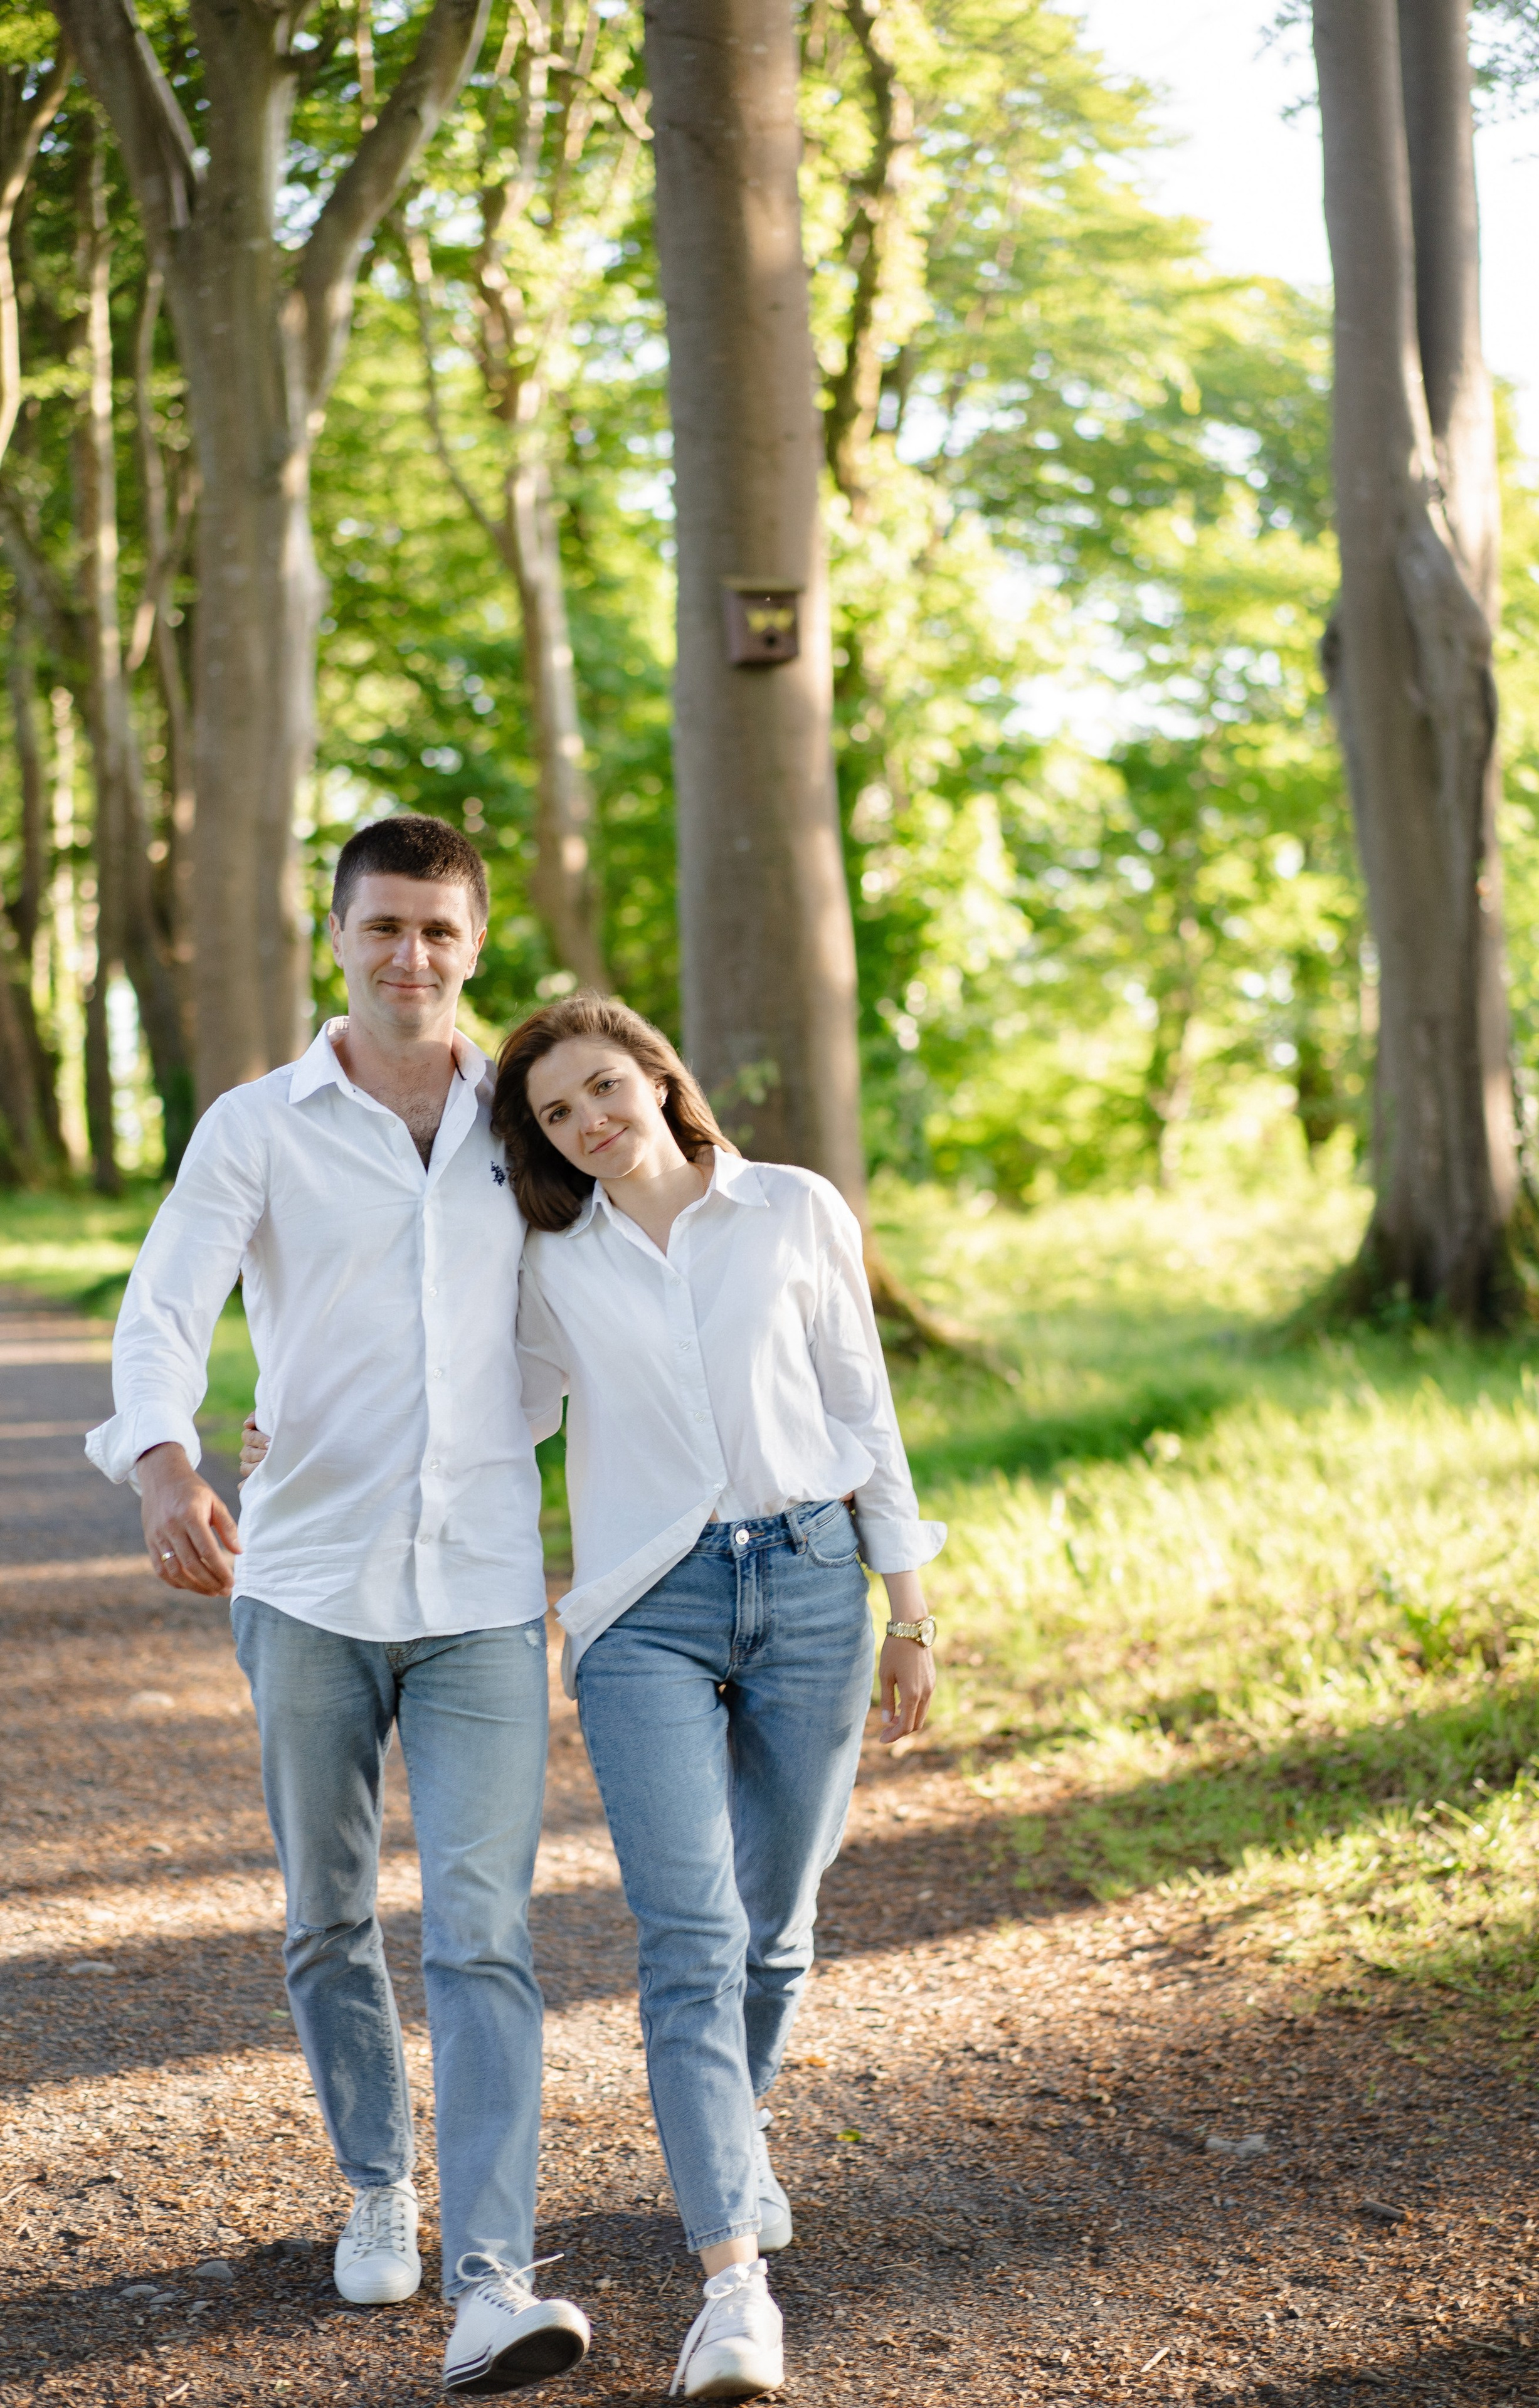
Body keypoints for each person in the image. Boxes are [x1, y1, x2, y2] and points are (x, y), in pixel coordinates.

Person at [86, 816, 589, 2398]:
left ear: (475, 942)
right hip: (303, 1581)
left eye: (438, 932)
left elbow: (605, 1292)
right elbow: (165, 1303)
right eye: (382, 928)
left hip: (485, 1589)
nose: (409, 959)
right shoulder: (258, 1124)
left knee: (489, 1933)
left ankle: (494, 2269)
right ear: (336, 933)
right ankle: (380, 2179)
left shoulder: (530, 1120)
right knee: (327, 1915)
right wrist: (168, 1466)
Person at [493, 993, 944, 2402]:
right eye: (557, 1115)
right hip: (644, 1609)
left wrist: (909, 1613)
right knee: (690, 1934)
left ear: (657, 1078)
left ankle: (723, 2143)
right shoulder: (550, 1253)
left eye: (602, 1090)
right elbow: (489, 1408)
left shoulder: (793, 1209)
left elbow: (860, 1407)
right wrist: (308, 1420)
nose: (588, 1125)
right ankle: (731, 2283)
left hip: (813, 1584)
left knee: (779, 1924)